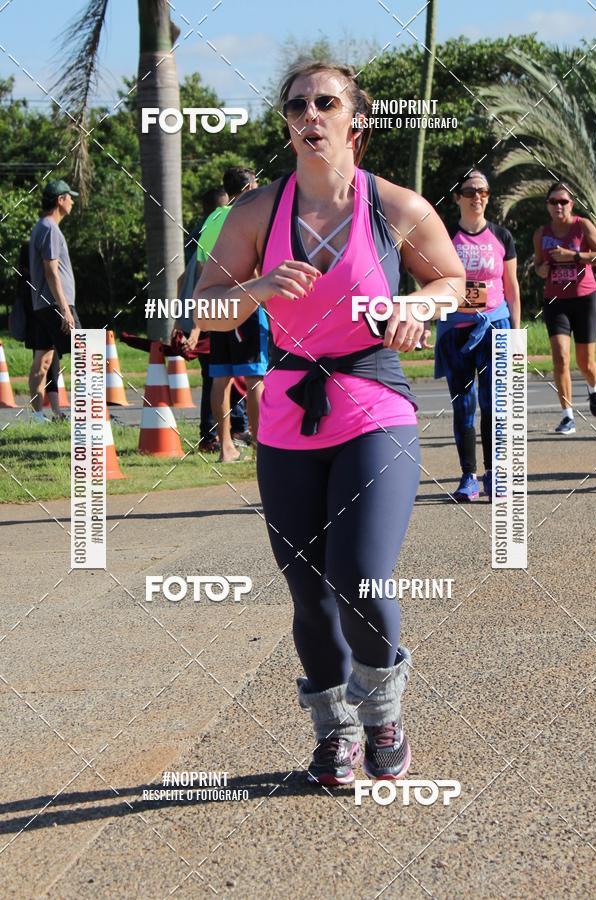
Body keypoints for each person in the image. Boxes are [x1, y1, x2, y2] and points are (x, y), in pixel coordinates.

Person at [194, 59, 464, 785]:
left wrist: (418, 306)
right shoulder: (256, 215)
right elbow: (204, 309)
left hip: (373, 402)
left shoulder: (396, 207)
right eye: (296, 106)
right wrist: (253, 287)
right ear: (286, 124)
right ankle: (334, 731)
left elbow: (452, 280)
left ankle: (383, 716)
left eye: (325, 102)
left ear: (356, 120)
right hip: (285, 414)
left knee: (362, 576)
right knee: (309, 590)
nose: (309, 114)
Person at [435, 170, 521, 502]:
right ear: (457, 196)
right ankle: (468, 477)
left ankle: (494, 475)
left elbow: (511, 288)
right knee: (464, 406)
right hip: (456, 330)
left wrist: (514, 332)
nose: (477, 196)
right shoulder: (445, 236)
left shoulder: (501, 236)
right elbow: (433, 281)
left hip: (494, 327)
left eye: (483, 191)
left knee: (493, 405)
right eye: (470, 190)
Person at [196, 167, 266, 462]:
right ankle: (264, 449)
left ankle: (225, 447)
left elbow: (201, 269)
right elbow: (256, 268)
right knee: (254, 378)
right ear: (250, 188)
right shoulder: (247, 217)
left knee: (220, 377)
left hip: (215, 305)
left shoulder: (211, 220)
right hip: (244, 304)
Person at [533, 180, 596, 434]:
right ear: (548, 205)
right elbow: (539, 267)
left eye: (563, 201)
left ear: (571, 204)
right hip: (555, 300)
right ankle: (567, 416)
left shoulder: (581, 226)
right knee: (560, 357)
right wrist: (543, 269)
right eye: (554, 201)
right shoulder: (541, 233)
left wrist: (575, 256)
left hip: (585, 298)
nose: (558, 205)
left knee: (586, 363)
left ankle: (594, 388)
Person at [28, 179, 81, 422]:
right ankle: (88, 415)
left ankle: (38, 416)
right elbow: (51, 271)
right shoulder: (50, 229)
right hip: (55, 305)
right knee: (84, 352)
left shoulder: (40, 226)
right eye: (69, 197)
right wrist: (65, 309)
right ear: (60, 200)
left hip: (41, 304)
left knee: (43, 359)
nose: (72, 201)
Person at [15, 243, 63, 423]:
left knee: (48, 369)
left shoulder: (22, 278)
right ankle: (45, 414)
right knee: (49, 369)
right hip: (42, 327)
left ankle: (50, 413)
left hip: (33, 331)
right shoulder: (34, 279)